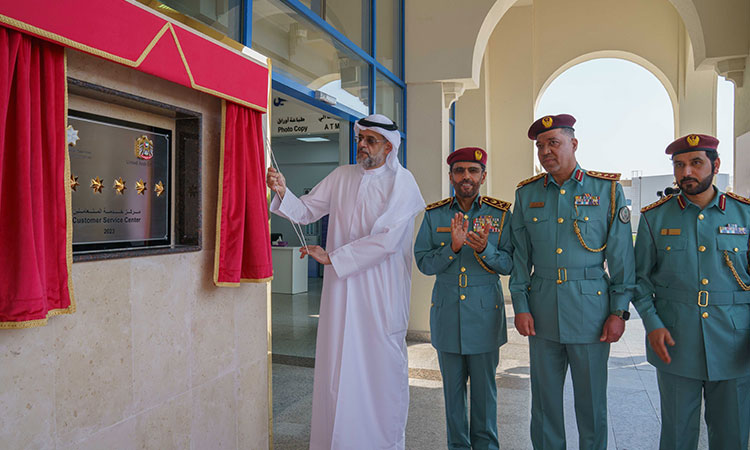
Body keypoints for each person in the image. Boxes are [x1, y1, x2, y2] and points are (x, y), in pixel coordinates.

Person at [266, 114, 425, 450]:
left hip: (380, 293)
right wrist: (283, 191)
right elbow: (307, 210)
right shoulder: (341, 176)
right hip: (340, 292)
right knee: (337, 365)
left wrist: (334, 257)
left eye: (370, 140)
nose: (362, 145)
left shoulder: (403, 183)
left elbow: (388, 241)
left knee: (377, 370)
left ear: (388, 146)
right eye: (360, 139)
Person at [509, 114, 635, 449]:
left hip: (591, 312)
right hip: (543, 311)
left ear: (573, 144)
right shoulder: (526, 195)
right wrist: (520, 305)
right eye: (540, 146)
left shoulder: (606, 191)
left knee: (592, 403)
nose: (546, 151)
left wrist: (618, 311)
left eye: (554, 142)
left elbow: (622, 258)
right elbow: (521, 259)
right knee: (545, 403)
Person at [633, 134, 750, 450]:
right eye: (679, 165)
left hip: (734, 342)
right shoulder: (655, 218)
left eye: (696, 163)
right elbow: (639, 280)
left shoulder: (745, 215)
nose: (687, 172)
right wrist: (652, 323)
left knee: (733, 436)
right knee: (676, 436)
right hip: (675, 340)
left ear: (715, 165)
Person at [414, 147, 513, 450]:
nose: (466, 176)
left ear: (483, 175)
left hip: (485, 316)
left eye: (472, 170)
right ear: (451, 177)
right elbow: (423, 263)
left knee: (484, 395)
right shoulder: (435, 214)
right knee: (452, 397)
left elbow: (510, 264)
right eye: (459, 171)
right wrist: (452, 249)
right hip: (447, 316)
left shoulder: (500, 214)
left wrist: (485, 250)